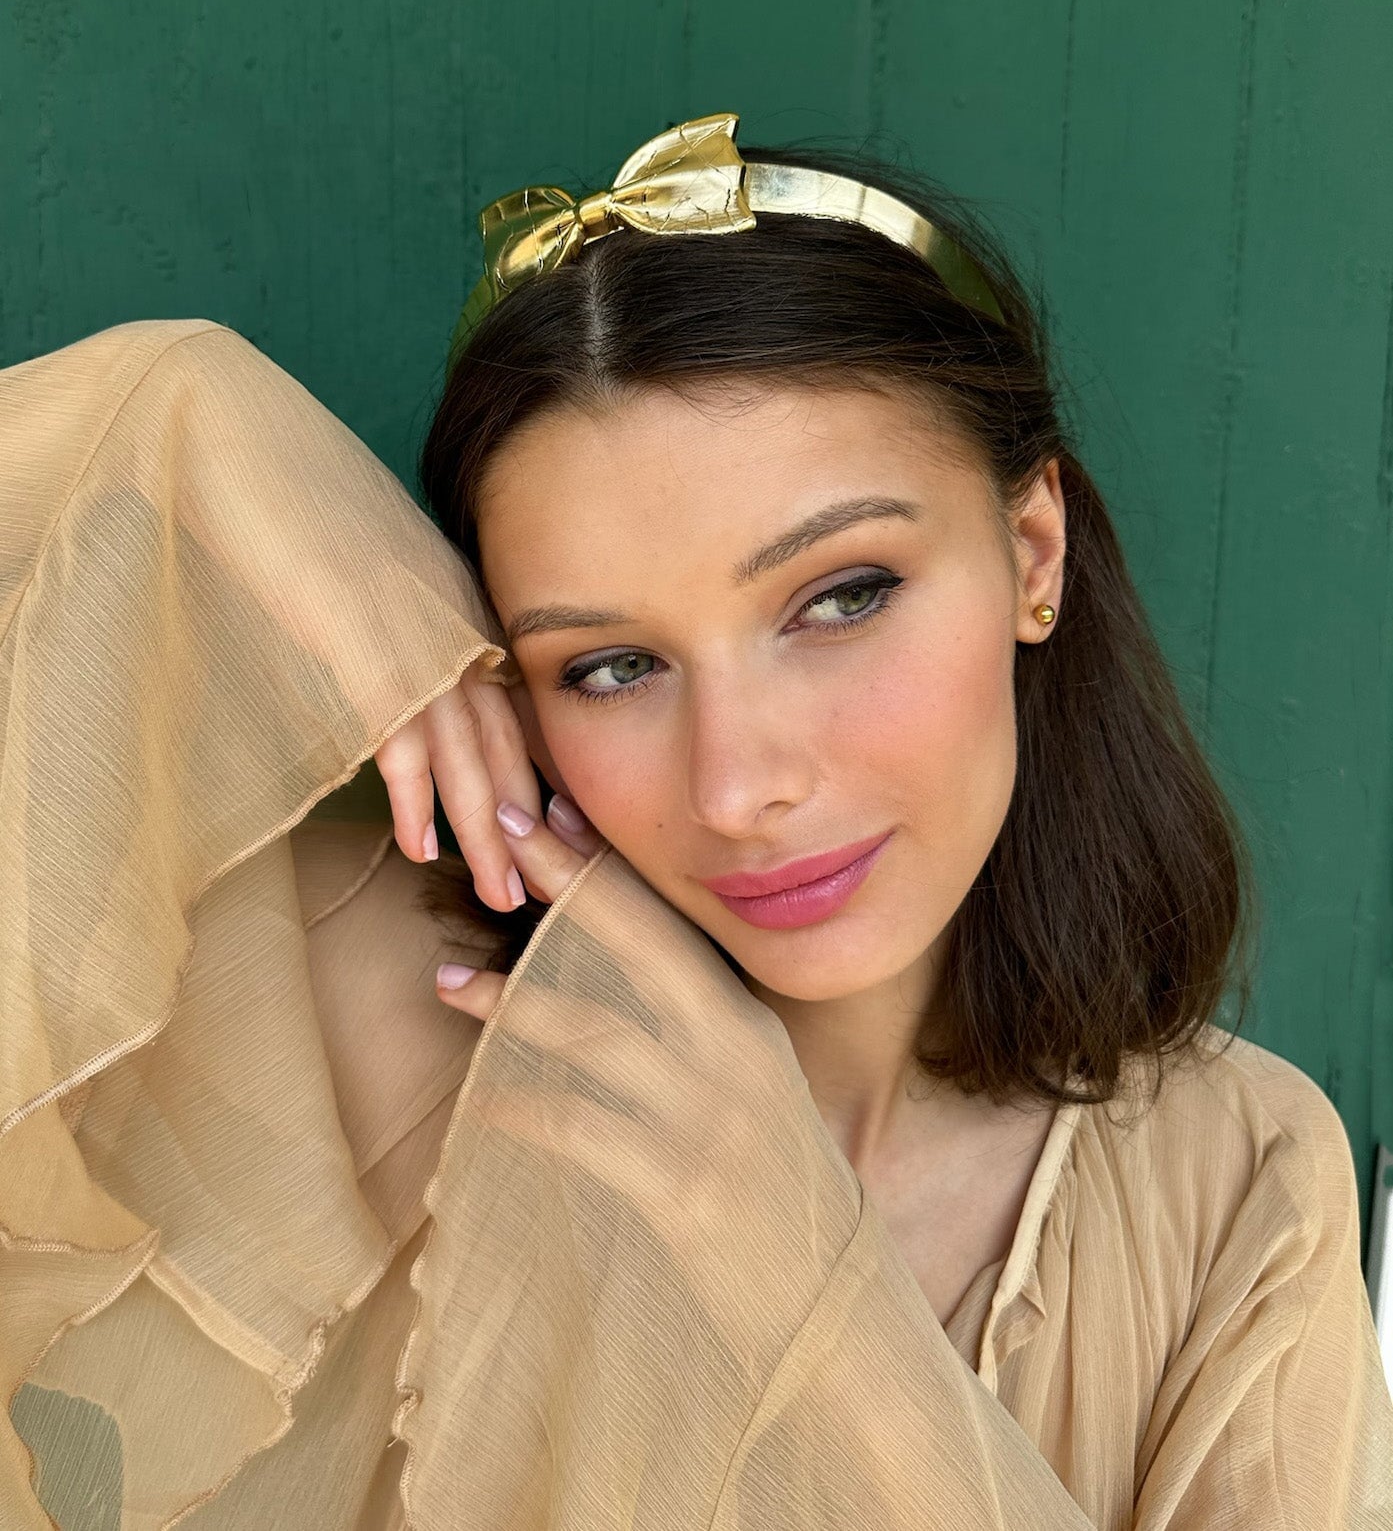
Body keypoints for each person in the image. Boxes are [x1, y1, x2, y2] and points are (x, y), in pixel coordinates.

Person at [1, 114, 1389, 1528]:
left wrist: (808, 1297)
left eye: (841, 598)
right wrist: (183, 421)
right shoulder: (363, 995)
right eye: (608, 667)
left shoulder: (1241, 1179)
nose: (736, 788)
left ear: (1033, 552)